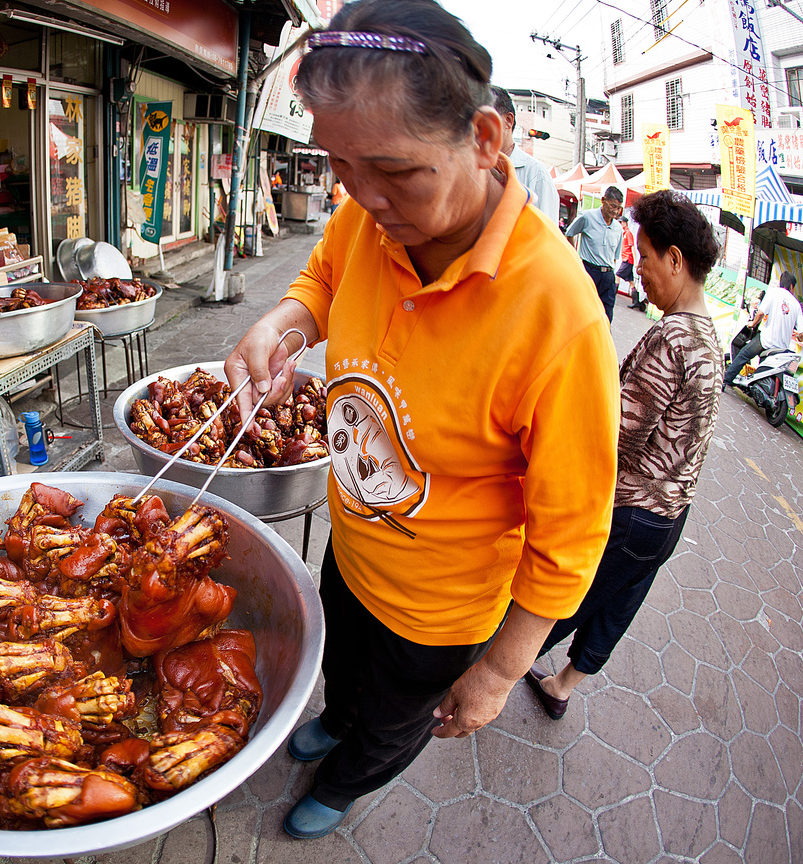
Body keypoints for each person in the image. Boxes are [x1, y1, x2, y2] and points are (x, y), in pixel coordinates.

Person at [223, 0, 619, 840]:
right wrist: (278, 326)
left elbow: (573, 533)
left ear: (484, 138)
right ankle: (337, 721)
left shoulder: (559, 315)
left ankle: (347, 779)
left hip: (441, 613)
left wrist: (502, 670)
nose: (364, 197)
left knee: (398, 717)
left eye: (395, 172)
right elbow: (322, 282)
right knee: (346, 669)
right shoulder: (363, 218)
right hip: (354, 548)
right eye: (340, 166)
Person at [522, 190, 722, 718]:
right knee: (618, 605)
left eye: (648, 257)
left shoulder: (672, 337)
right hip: (670, 518)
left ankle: (487, 671)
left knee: (565, 603)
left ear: (676, 259)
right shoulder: (708, 336)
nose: (642, 270)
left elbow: (619, 436)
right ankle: (561, 687)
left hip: (633, 513)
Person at [723, 271, 803, 391]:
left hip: (766, 340)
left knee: (744, 355)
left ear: (781, 283)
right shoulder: (796, 304)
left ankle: (726, 380)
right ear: (792, 286)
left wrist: (753, 323)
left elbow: (761, 312)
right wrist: (798, 336)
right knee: (763, 366)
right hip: (781, 348)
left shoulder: (774, 293)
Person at [490, 85, 560, 224]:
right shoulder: (473, 170)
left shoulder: (536, 173)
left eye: (486, 119)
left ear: (508, 121)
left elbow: (544, 235)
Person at [566, 185, 625, 322]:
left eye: (618, 208)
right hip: (589, 271)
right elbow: (570, 233)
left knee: (606, 314)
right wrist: (575, 258)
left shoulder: (618, 228)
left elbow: (615, 257)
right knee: (583, 310)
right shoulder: (588, 217)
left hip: (608, 275)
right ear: (603, 200)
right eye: (613, 206)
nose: (616, 211)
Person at [618, 215, 645, 312]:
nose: (620, 224)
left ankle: (612, 293)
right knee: (631, 281)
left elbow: (632, 247)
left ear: (624, 223)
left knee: (617, 275)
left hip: (628, 259)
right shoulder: (624, 233)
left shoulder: (628, 234)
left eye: (621, 223)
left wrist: (636, 261)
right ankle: (636, 301)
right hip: (626, 259)